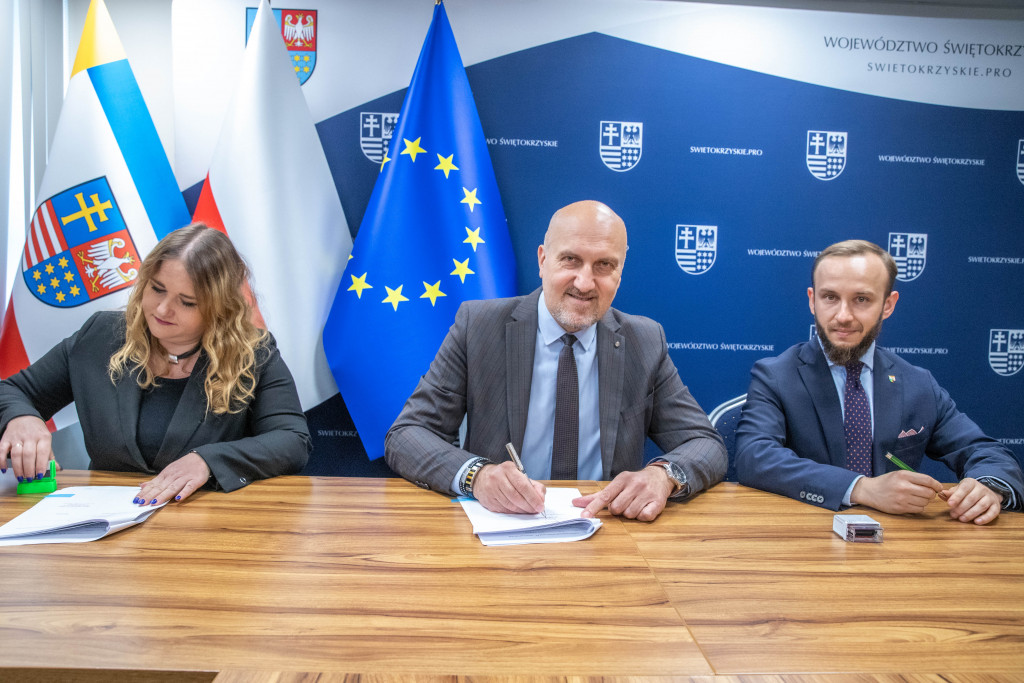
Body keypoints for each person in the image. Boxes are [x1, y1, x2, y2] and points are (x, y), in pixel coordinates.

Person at [386, 200, 726, 521]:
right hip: (502, 529)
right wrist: (478, 476)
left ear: (620, 273)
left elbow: (705, 444)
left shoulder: (645, 341)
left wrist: (664, 475)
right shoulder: (479, 326)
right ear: (543, 260)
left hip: (605, 530)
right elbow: (408, 434)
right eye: (571, 260)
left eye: (604, 265)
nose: (585, 282)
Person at [0, 223, 310, 505]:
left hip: (208, 525)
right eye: (157, 289)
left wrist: (207, 461)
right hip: (103, 524)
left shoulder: (252, 353)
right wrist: (22, 418)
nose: (162, 309)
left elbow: (292, 441)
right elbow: (11, 391)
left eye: (186, 302)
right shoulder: (100, 336)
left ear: (220, 309)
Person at [735, 239, 1023, 524]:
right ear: (812, 300)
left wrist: (988, 487)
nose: (843, 316)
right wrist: (861, 488)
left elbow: (987, 453)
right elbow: (754, 458)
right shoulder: (776, 375)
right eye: (830, 297)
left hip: (898, 540)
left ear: (888, 304)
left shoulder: (918, 383)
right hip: (802, 533)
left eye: (861, 299)